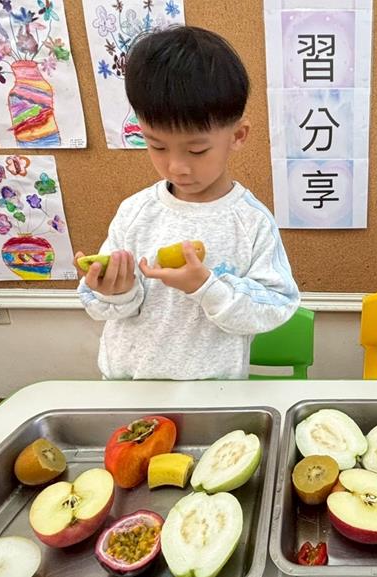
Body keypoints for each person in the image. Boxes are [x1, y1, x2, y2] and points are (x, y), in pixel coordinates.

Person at [75, 26, 299, 380]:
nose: (176, 166)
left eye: (197, 150)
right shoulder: (135, 212)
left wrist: (206, 287)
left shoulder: (251, 221)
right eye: (157, 146)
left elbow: (277, 305)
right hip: (127, 388)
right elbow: (97, 305)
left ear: (238, 135)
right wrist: (116, 292)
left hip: (214, 394)